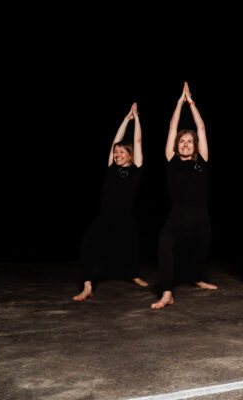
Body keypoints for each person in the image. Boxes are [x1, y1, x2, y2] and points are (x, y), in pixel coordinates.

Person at [151, 82, 217, 309]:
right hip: (176, 219)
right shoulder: (172, 161)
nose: (186, 144)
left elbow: (201, 128)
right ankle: (167, 292)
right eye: (182, 141)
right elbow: (172, 128)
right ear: (177, 146)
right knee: (164, 244)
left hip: (201, 220)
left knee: (199, 253)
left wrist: (191, 103)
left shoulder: (202, 160)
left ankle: (197, 278)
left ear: (195, 145)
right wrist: (179, 103)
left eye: (189, 141)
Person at [73, 103, 148, 301]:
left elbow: (138, 141)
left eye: (122, 152)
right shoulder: (111, 168)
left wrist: (137, 118)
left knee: (130, 246)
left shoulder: (135, 170)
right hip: (104, 217)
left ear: (130, 155)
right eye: (116, 152)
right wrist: (126, 119)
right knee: (87, 244)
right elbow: (115, 141)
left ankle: (134, 274)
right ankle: (87, 285)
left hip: (125, 217)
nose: (117, 154)